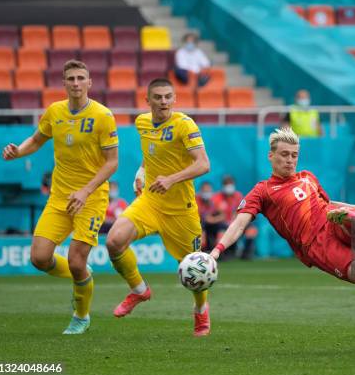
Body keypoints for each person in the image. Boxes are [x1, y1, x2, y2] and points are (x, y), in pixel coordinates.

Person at [208, 127, 355, 347]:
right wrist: (217, 250)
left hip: (333, 222)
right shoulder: (262, 191)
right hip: (317, 244)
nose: (290, 160)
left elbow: (329, 205)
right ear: (271, 156)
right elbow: (239, 223)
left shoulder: (307, 177)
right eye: (284, 154)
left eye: (294, 155)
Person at [2, 59, 119, 334]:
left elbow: (112, 162)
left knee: (77, 259)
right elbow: (37, 139)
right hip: (59, 197)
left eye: (81, 78)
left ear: (89, 83)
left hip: (90, 198)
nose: (76, 83)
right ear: (64, 83)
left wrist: (86, 190)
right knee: (39, 259)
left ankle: (81, 316)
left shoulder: (103, 116)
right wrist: (18, 151)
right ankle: (84, 275)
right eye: (71, 79)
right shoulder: (54, 111)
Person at [105, 78, 212, 337]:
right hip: (150, 201)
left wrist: (172, 179)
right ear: (148, 100)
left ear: (174, 99)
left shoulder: (185, 125)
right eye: (158, 97)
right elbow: (152, 153)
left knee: (194, 269)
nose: (163, 101)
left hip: (181, 209)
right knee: (114, 241)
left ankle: (200, 310)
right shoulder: (142, 122)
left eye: (168, 96)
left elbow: (203, 164)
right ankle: (139, 290)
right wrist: (141, 172)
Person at [212, 175, 258, 260]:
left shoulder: (238, 196)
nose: (229, 186)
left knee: (251, 229)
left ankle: (246, 254)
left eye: (231, 183)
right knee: (221, 232)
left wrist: (236, 217)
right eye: (226, 184)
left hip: (236, 222)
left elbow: (241, 211)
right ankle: (222, 255)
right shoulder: (217, 197)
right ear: (223, 185)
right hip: (222, 224)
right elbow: (218, 213)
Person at [195, 181, 224, 251]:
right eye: (204, 191)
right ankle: (202, 248)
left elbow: (222, 216)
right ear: (201, 191)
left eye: (208, 190)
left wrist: (213, 219)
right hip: (201, 224)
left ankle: (220, 250)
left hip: (213, 224)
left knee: (223, 227)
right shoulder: (196, 199)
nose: (206, 193)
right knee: (201, 228)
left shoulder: (215, 200)